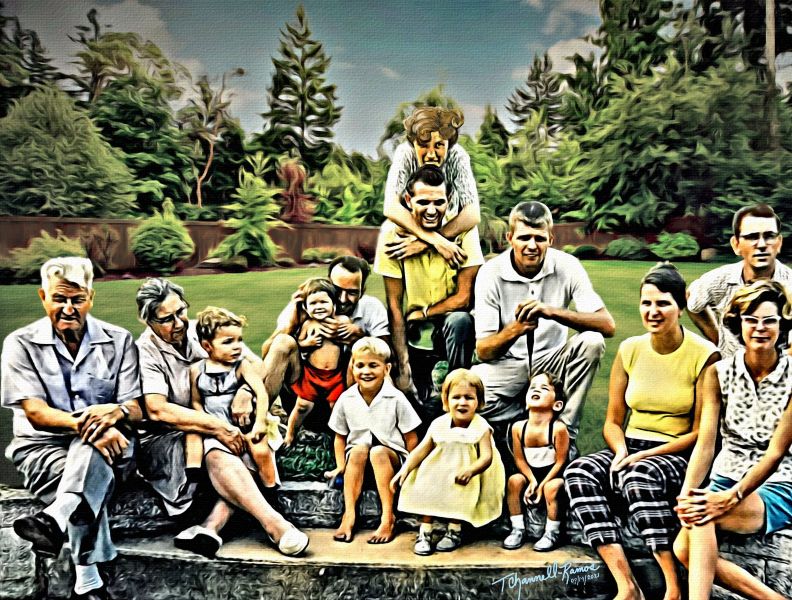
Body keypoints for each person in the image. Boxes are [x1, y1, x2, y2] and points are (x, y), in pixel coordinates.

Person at [565, 263, 718, 600]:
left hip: (676, 452)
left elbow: (700, 433)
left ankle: (672, 586)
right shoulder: (630, 349)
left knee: (639, 476)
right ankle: (627, 584)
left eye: (663, 303)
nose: (653, 311)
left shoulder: (705, 355)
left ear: (680, 307)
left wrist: (645, 455)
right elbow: (612, 421)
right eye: (646, 303)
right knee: (579, 472)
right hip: (632, 446)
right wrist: (621, 451)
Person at [2, 257, 143, 600]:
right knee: (88, 469)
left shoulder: (119, 340)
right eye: (59, 299)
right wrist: (90, 424)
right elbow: (36, 413)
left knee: (89, 451)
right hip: (41, 449)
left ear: (91, 298)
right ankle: (87, 579)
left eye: (77, 299)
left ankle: (54, 517)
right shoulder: (20, 343)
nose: (68, 308)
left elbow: (136, 409)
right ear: (43, 297)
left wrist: (117, 411)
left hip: (116, 447)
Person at [134, 278, 303, 559]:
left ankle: (210, 528)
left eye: (181, 311)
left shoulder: (202, 331)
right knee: (217, 448)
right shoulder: (145, 352)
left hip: (222, 420)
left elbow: (256, 366)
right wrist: (217, 426)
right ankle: (275, 524)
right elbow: (158, 410)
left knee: (245, 441)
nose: (178, 323)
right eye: (167, 319)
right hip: (171, 436)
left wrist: (246, 392)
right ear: (148, 321)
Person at [674, 280, 792, 600]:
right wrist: (686, 493)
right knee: (682, 547)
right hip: (726, 474)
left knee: (703, 517)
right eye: (751, 320)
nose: (760, 328)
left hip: (778, 481)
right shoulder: (718, 373)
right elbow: (706, 444)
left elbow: (775, 453)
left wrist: (733, 495)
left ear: (782, 325)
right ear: (738, 324)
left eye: (769, 320)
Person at [471, 200, 615, 452]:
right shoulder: (490, 272)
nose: (531, 246)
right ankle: (527, 422)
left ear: (551, 238)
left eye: (539, 238)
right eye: (524, 238)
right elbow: (484, 350)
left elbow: (607, 325)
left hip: (552, 363)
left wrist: (551, 311)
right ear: (510, 238)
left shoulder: (567, 265)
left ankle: (564, 434)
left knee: (592, 341)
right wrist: (517, 328)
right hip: (506, 363)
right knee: (471, 400)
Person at [375, 164, 482, 406]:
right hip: (415, 330)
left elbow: (464, 298)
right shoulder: (392, 234)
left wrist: (425, 312)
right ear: (408, 200)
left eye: (439, 202)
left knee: (460, 321)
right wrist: (402, 366)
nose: (432, 210)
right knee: (419, 401)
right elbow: (394, 306)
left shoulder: (465, 231)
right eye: (423, 202)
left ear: (449, 200)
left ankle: (459, 391)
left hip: (452, 324)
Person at [391, 369, 506, 556]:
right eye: (456, 397)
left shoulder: (481, 427)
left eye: (469, 398)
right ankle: (425, 532)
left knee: (459, 497)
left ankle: (454, 530)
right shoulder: (439, 424)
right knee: (426, 493)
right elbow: (422, 449)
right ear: (446, 400)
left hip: (464, 474)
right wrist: (405, 469)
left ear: (479, 401)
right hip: (437, 472)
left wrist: (471, 470)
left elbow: (487, 457)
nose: (462, 402)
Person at [262, 256, 389, 417]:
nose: (342, 299)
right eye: (337, 289)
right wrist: (292, 325)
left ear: (362, 291)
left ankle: (366, 422)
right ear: (328, 283)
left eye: (352, 292)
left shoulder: (372, 307)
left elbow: (388, 357)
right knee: (283, 341)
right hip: (303, 393)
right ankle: (259, 416)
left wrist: (359, 339)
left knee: (365, 355)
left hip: (345, 391)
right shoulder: (307, 304)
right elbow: (267, 351)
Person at [325, 337, 421, 544]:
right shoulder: (346, 398)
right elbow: (340, 437)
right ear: (352, 367)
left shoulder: (395, 398)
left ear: (386, 369)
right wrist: (340, 465)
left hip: (390, 461)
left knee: (377, 452)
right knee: (358, 449)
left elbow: (411, 437)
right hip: (357, 464)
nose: (366, 371)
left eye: (373, 365)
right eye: (360, 365)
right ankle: (349, 514)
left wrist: (410, 468)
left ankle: (388, 517)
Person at [189, 307, 282, 490]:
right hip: (215, 425)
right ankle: (195, 476)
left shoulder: (241, 366)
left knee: (259, 449)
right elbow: (196, 401)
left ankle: (270, 488)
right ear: (207, 346)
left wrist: (260, 423)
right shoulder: (196, 371)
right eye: (228, 342)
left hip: (244, 423)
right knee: (194, 439)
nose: (237, 346)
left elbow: (261, 393)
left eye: (240, 340)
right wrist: (207, 422)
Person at [687, 203, 791, 357]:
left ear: (779, 243)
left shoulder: (789, 285)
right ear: (736, 245)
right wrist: (717, 338)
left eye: (769, 236)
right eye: (752, 237)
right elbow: (692, 299)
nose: (762, 244)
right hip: (730, 368)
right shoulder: (719, 281)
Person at [383, 106, 480, 268]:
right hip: (413, 224)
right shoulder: (404, 153)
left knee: (471, 232)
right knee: (389, 229)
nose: (431, 154)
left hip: (447, 223)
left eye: (439, 145)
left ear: (449, 143)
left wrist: (425, 243)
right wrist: (434, 240)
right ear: (413, 144)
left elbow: (473, 213)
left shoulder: (458, 155)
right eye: (423, 145)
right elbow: (391, 207)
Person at [502, 371, 569, 552]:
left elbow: (560, 461)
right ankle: (517, 528)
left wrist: (542, 484)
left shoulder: (558, 429)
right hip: (530, 474)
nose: (536, 390)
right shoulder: (518, 428)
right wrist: (532, 481)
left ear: (557, 404)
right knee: (514, 481)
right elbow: (519, 459)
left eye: (544, 388)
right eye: (532, 387)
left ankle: (552, 532)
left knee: (552, 488)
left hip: (552, 475)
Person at [284, 278, 350, 446]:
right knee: (302, 405)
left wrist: (342, 335)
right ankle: (290, 435)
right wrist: (308, 343)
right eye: (313, 303)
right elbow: (298, 344)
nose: (319, 306)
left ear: (334, 305)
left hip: (335, 376)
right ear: (306, 308)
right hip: (312, 375)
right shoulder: (308, 324)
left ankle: (338, 439)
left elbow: (351, 340)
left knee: (336, 406)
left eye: (323, 302)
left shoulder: (342, 321)